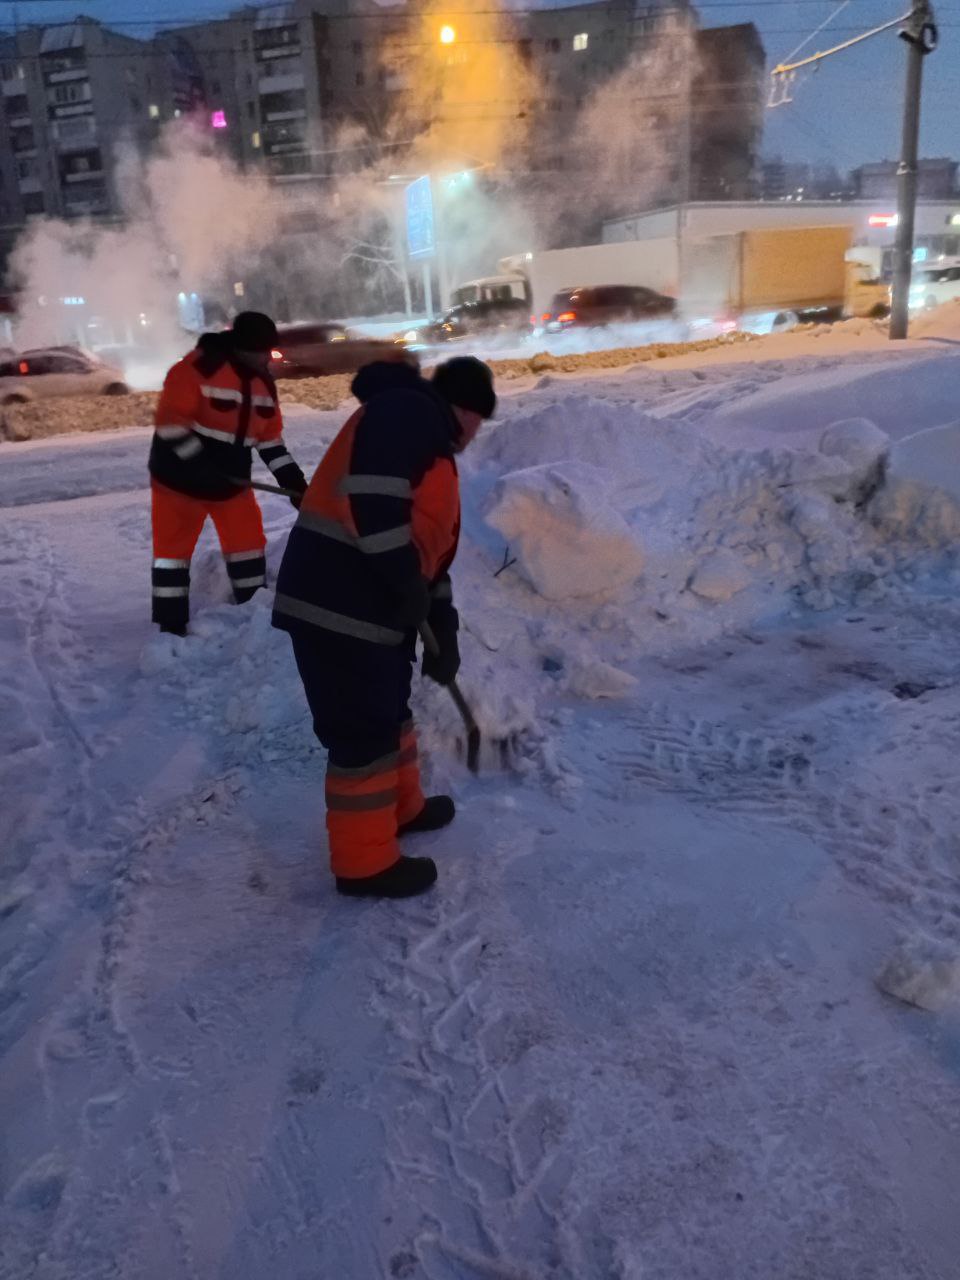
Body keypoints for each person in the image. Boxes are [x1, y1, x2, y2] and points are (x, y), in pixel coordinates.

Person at [272, 356, 496, 899]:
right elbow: (374, 500)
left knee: (388, 710)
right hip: (338, 606)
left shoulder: (429, 443)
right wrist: (403, 579)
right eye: (479, 419)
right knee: (363, 733)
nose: (476, 433)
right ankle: (364, 864)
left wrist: (443, 629)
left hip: (372, 613)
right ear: (464, 408)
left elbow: (430, 559)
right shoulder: (407, 412)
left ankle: (402, 808)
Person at [149, 311, 306, 635]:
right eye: (261, 351)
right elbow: (171, 424)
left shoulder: (263, 385)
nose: (267, 358)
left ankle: (252, 613)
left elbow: (270, 441)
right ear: (241, 347)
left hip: (231, 485)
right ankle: (170, 626)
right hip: (177, 483)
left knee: (248, 546)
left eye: (269, 351)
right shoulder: (197, 369)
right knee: (172, 556)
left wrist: (293, 482)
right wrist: (202, 468)